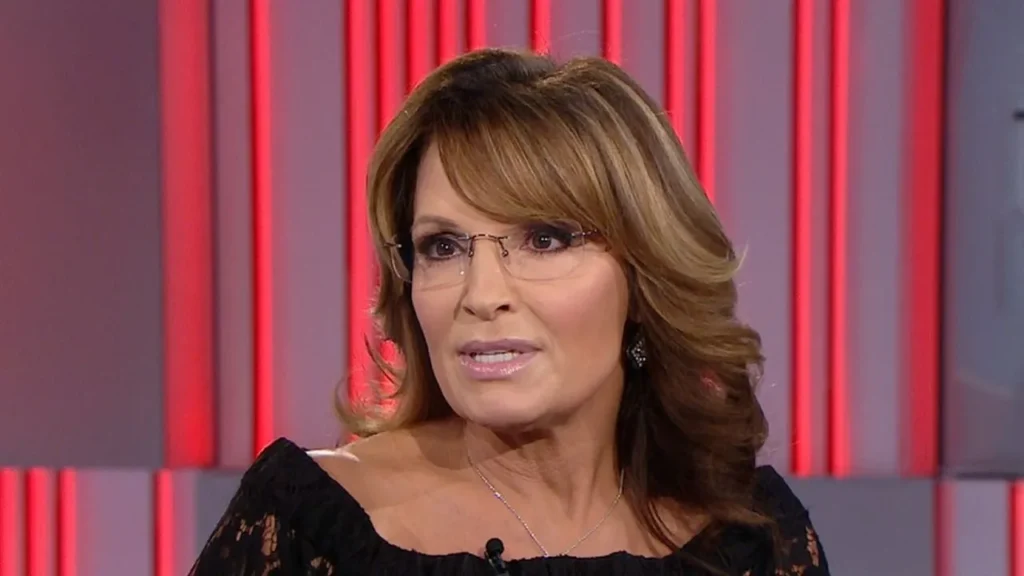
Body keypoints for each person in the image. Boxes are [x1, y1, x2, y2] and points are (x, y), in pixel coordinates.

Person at [189, 48, 830, 575]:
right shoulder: (307, 529)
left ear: (643, 276)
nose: (480, 293)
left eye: (544, 239)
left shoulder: (751, 543)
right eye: (443, 247)